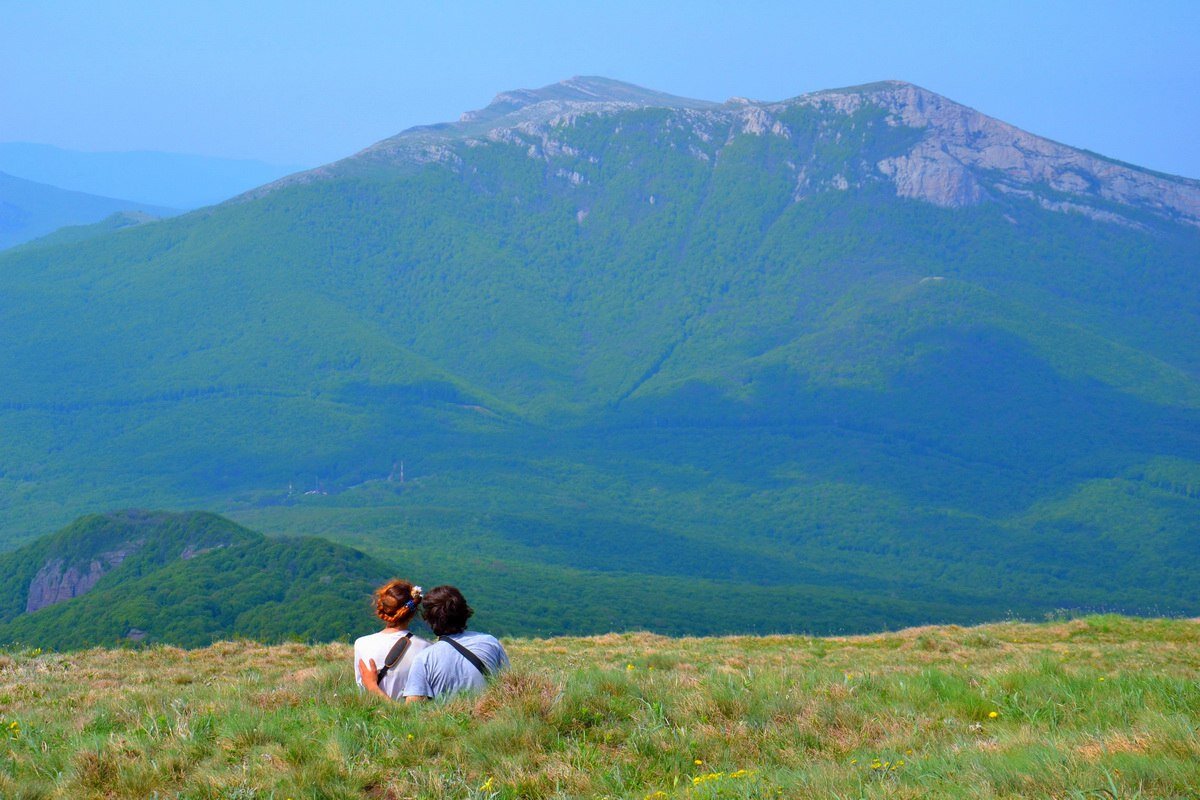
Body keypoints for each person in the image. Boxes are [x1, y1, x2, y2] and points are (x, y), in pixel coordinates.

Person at [360, 584, 509, 702]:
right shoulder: (491, 642)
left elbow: (409, 716)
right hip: (490, 725)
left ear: (429, 619)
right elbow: (508, 686)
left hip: (451, 734)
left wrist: (373, 687)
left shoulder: (425, 659)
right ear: (465, 611)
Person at [354, 579, 430, 700]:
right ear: (412, 612)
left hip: (370, 715)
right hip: (411, 717)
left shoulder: (361, 644)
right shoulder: (426, 648)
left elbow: (362, 688)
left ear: (380, 608)